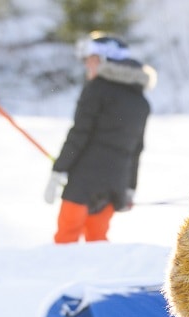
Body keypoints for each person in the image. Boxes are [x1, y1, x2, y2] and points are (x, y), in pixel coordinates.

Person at [44, 32, 155, 243]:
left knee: (65, 240)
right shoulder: (141, 101)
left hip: (83, 182)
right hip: (115, 184)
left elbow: (79, 133)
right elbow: (136, 148)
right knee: (97, 242)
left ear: (105, 60)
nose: (87, 66)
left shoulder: (97, 89)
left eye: (91, 60)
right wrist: (130, 186)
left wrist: (59, 169)